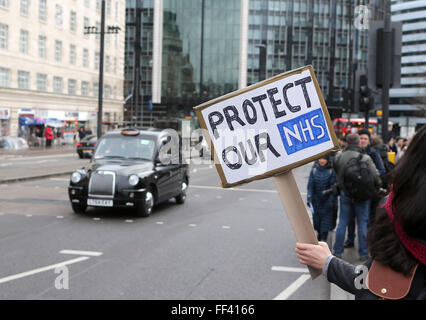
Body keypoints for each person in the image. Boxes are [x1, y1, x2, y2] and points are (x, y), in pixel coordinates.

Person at [295, 125, 426, 299]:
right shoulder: (367, 158)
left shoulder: (399, 220)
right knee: (358, 223)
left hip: (347, 196)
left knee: (346, 223)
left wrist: (329, 262)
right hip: (362, 198)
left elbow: (368, 284)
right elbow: (370, 281)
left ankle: (342, 249)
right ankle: (359, 250)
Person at [332, 133, 381, 261]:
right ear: (359, 142)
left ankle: (337, 251)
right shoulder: (365, 157)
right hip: (362, 195)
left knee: (342, 222)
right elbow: (376, 177)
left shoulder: (339, 157)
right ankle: (363, 253)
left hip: (345, 193)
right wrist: (378, 187)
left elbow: (336, 172)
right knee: (362, 223)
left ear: (347, 142)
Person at [344, 129, 386, 246]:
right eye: (361, 138)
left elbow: (381, 170)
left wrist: (369, 179)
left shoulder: (373, 153)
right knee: (350, 219)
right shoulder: (352, 152)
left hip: (368, 191)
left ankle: (366, 244)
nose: (363, 141)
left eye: (365, 139)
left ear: (369, 140)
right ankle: (350, 240)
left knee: (365, 219)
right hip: (352, 190)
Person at [307, 156, 338, 242]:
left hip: (327, 203)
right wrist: (309, 198)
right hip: (316, 202)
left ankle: (323, 240)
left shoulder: (331, 171)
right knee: (317, 224)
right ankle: (319, 236)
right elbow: (310, 186)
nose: (322, 161)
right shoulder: (313, 171)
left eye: (324, 159)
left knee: (326, 225)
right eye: (320, 159)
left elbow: (333, 187)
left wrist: (332, 201)